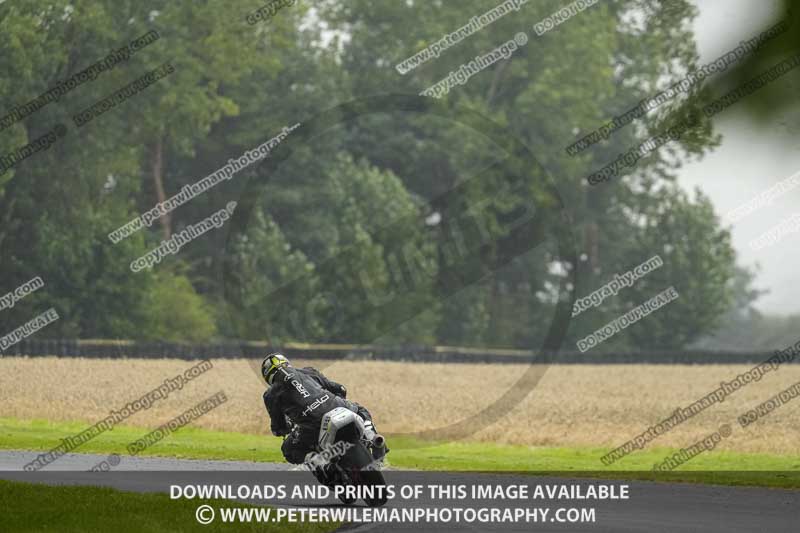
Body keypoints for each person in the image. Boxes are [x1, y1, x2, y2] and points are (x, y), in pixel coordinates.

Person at [261, 353, 382, 473]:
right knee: (361, 410)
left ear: (268, 377)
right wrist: (334, 400)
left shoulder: (270, 395)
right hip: (337, 406)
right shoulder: (308, 371)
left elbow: (279, 427)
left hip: (312, 427)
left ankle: (320, 464)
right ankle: (373, 437)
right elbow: (340, 389)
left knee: (288, 450)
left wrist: (285, 429)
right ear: (286, 362)